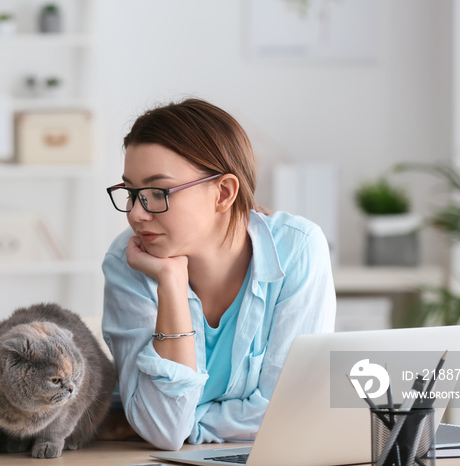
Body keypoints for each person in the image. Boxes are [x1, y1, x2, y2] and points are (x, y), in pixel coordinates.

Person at [101, 98, 335, 451]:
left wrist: (187, 425)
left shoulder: (299, 249)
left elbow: (290, 411)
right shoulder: (130, 261)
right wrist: (172, 283)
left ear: (223, 192)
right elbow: (164, 432)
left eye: (156, 193)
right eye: (132, 193)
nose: (136, 213)